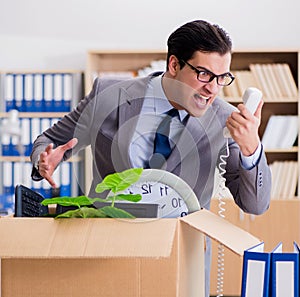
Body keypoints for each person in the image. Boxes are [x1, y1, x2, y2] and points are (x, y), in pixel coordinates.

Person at [30, 20, 271, 296]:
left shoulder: (224, 119)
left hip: (181, 263)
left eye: (222, 77)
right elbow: (48, 141)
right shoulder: (108, 95)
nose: (213, 89)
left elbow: (255, 203)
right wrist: (43, 160)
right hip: (108, 255)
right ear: (174, 65)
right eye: (204, 74)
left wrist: (252, 149)